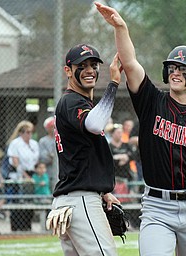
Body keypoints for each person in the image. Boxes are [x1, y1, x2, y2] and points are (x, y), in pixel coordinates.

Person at [96, 3, 186, 255]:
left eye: (184, 69)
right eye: (173, 68)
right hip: (156, 206)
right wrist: (121, 28)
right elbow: (130, 63)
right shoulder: (152, 101)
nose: (176, 73)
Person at [49, 43, 122, 255]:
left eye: (93, 64)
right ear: (68, 70)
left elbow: (84, 154)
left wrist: (103, 192)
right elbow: (95, 124)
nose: (90, 70)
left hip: (74, 197)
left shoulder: (80, 104)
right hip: (80, 200)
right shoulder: (72, 101)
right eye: (82, 65)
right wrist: (114, 83)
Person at [109, 124, 135, 203]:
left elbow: (133, 155)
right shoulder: (109, 146)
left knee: (128, 198)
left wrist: (126, 157)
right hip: (114, 176)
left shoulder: (126, 145)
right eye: (117, 132)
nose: (119, 134)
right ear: (112, 134)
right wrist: (118, 158)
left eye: (121, 132)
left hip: (126, 175)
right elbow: (108, 159)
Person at [38, 116, 56, 191]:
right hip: (48, 169)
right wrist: (53, 158)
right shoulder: (43, 141)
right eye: (51, 126)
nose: (54, 128)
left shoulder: (59, 138)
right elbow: (43, 156)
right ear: (47, 128)